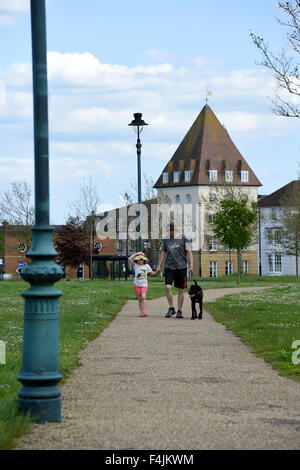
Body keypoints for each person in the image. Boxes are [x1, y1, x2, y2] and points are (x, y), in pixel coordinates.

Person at [156, 223, 193, 318]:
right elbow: (163, 252)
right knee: (168, 287)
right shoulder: (166, 239)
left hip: (181, 267)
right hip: (169, 266)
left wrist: (191, 265)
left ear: (175, 230)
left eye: (169, 231)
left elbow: (189, 252)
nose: (168, 233)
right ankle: (171, 308)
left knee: (181, 289)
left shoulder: (185, 238)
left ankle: (179, 310)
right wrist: (159, 265)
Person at [128, 252, 158, 317]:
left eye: (141, 259)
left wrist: (156, 271)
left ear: (144, 260)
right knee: (140, 299)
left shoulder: (147, 266)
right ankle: (141, 312)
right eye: (138, 259)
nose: (140, 261)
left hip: (144, 285)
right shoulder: (135, 265)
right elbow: (129, 259)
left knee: (143, 297)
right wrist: (136, 254)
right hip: (137, 285)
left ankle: (144, 311)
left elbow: (152, 273)